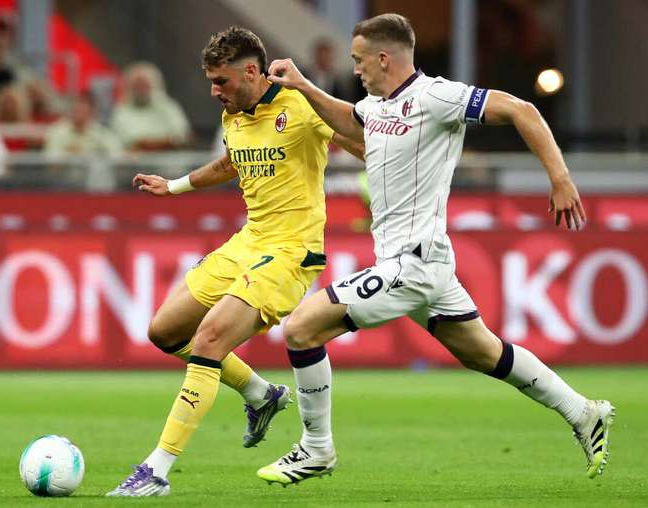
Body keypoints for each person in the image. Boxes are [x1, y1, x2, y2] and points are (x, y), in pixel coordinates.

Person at [257, 13, 613, 485]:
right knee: (483, 353)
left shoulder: (437, 96)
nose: (356, 68)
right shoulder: (378, 105)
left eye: (359, 59)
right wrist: (303, 86)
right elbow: (349, 119)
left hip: (415, 262)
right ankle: (583, 412)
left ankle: (316, 449)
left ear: (384, 58)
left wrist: (561, 178)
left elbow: (522, 110)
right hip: (428, 265)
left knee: (301, 329)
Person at [105, 26, 363, 497]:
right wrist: (175, 185)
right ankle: (260, 394)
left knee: (207, 339)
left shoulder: (302, 107)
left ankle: (157, 470)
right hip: (248, 242)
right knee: (165, 333)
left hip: (290, 252)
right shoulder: (235, 115)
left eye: (221, 81)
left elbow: (364, 143)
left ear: (251, 71)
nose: (213, 91)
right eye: (210, 81)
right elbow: (231, 164)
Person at [110, 62, 191, 151]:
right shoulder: (120, 111)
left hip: (173, 163)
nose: (141, 89)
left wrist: (147, 144)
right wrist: (169, 142)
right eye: (137, 85)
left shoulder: (168, 106)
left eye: (144, 84)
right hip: (134, 164)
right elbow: (131, 143)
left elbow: (184, 136)